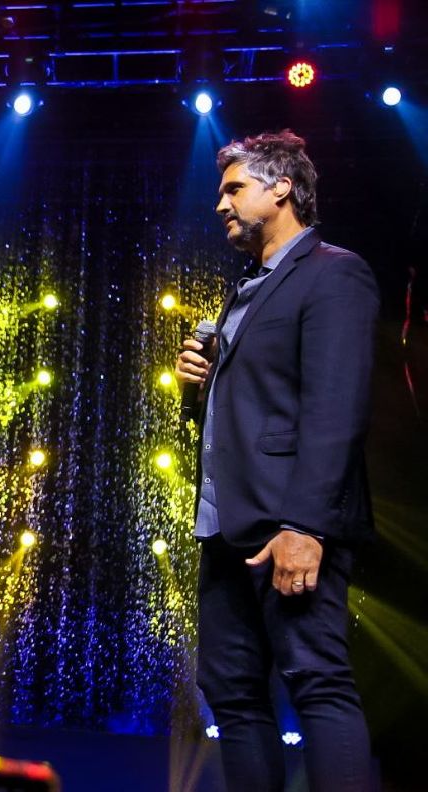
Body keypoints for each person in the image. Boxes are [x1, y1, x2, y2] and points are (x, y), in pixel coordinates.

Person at [175, 130, 378, 791]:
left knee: (317, 681)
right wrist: (196, 392)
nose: (220, 205)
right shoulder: (245, 290)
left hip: (289, 521)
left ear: (281, 187)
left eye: (233, 188)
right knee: (232, 695)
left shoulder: (333, 271)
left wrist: (306, 526)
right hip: (226, 523)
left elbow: (335, 408)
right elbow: (241, 416)